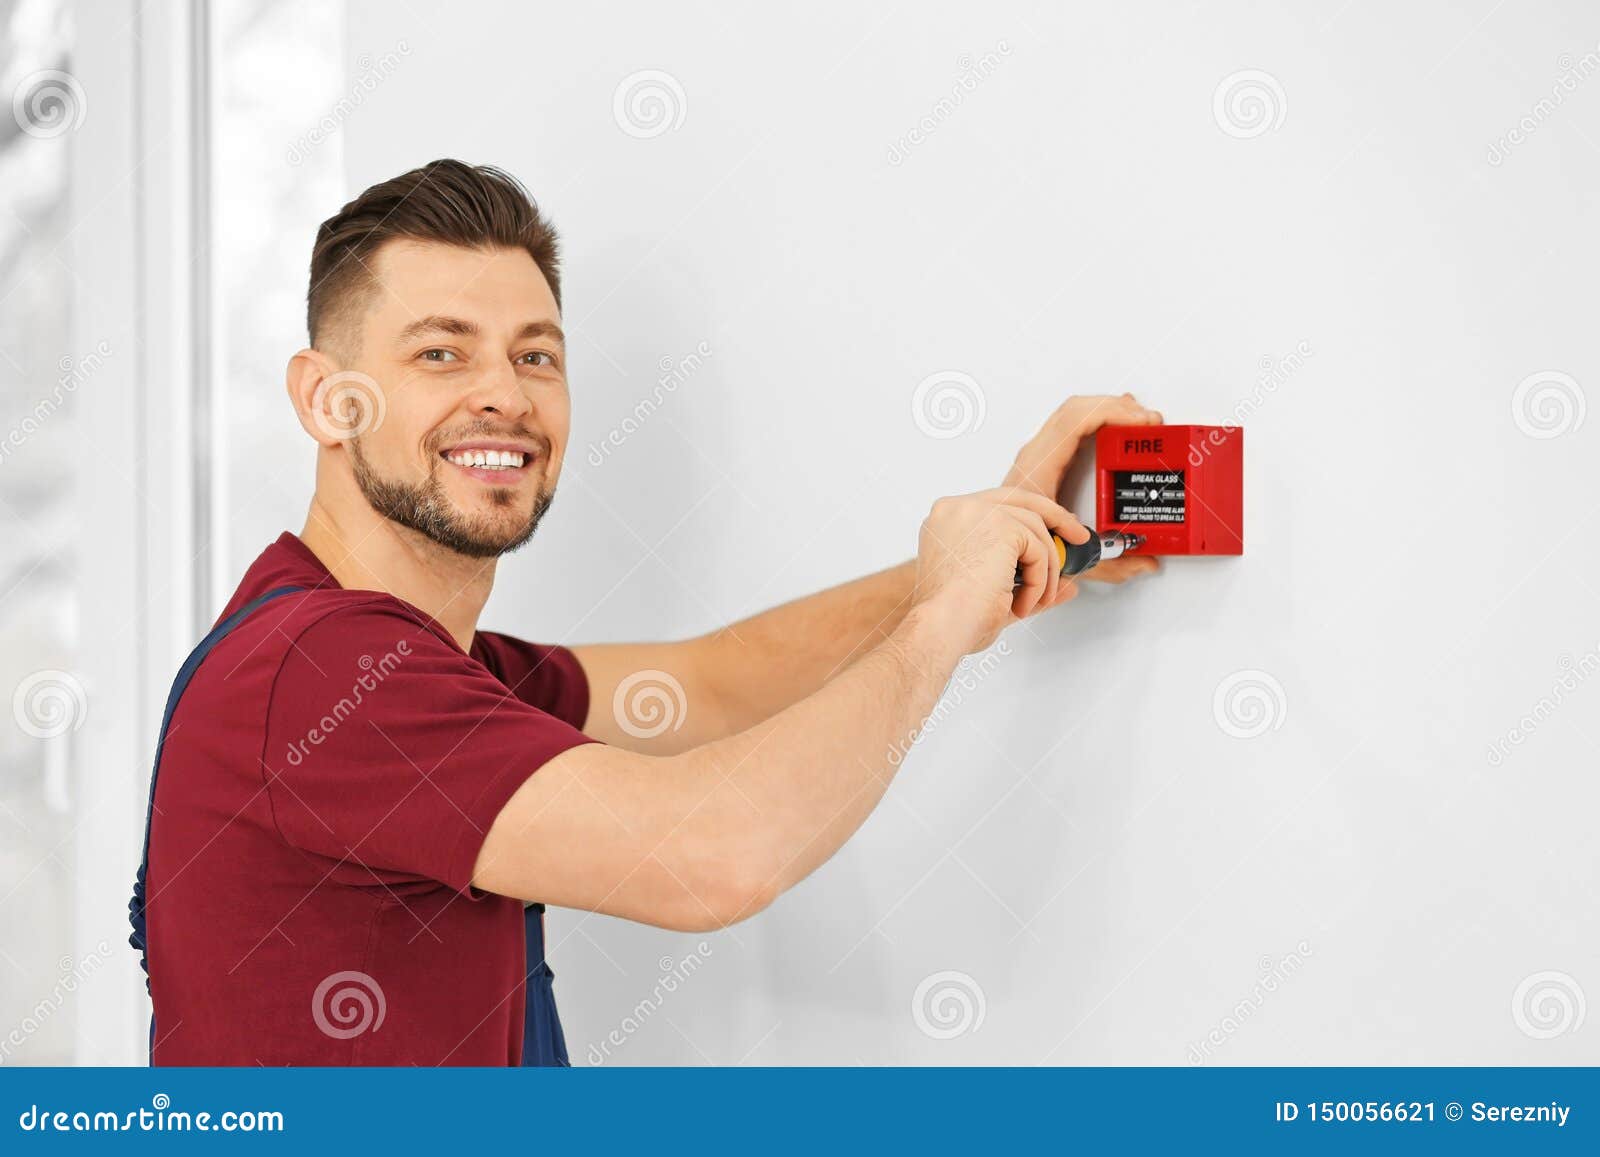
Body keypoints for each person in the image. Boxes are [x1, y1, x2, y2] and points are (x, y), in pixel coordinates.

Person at [140, 158, 1161, 1065]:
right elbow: (713, 856)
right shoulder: (327, 675)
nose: (503, 394)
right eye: (441, 353)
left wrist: (994, 546)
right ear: (326, 399)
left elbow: (709, 683)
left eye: (536, 353)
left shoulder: (419, 666)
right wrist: (941, 616)